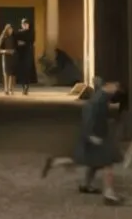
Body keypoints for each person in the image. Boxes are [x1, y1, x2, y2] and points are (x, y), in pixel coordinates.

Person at [40, 77, 124, 205]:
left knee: (90, 161)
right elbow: (89, 114)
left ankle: (81, 181)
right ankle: (109, 194)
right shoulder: (99, 99)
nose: (116, 89)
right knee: (107, 162)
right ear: (108, 85)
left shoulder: (103, 97)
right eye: (115, 86)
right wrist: (91, 135)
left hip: (96, 134)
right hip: (96, 136)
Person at [13, 18, 37, 95]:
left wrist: (23, 42)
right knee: (22, 71)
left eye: (26, 24)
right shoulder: (19, 32)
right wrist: (22, 42)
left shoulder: (31, 32)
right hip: (21, 54)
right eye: (23, 24)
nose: (25, 25)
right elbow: (16, 41)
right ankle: (24, 87)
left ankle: (26, 87)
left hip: (28, 54)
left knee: (27, 70)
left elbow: (30, 40)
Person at [0, 23, 18, 95]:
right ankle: (6, 89)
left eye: (11, 29)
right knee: (6, 74)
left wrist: (14, 51)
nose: (11, 30)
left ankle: (11, 89)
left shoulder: (13, 37)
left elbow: (16, 47)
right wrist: (6, 51)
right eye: (9, 29)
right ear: (6, 29)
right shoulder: (2, 37)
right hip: (5, 57)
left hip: (12, 57)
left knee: (12, 74)